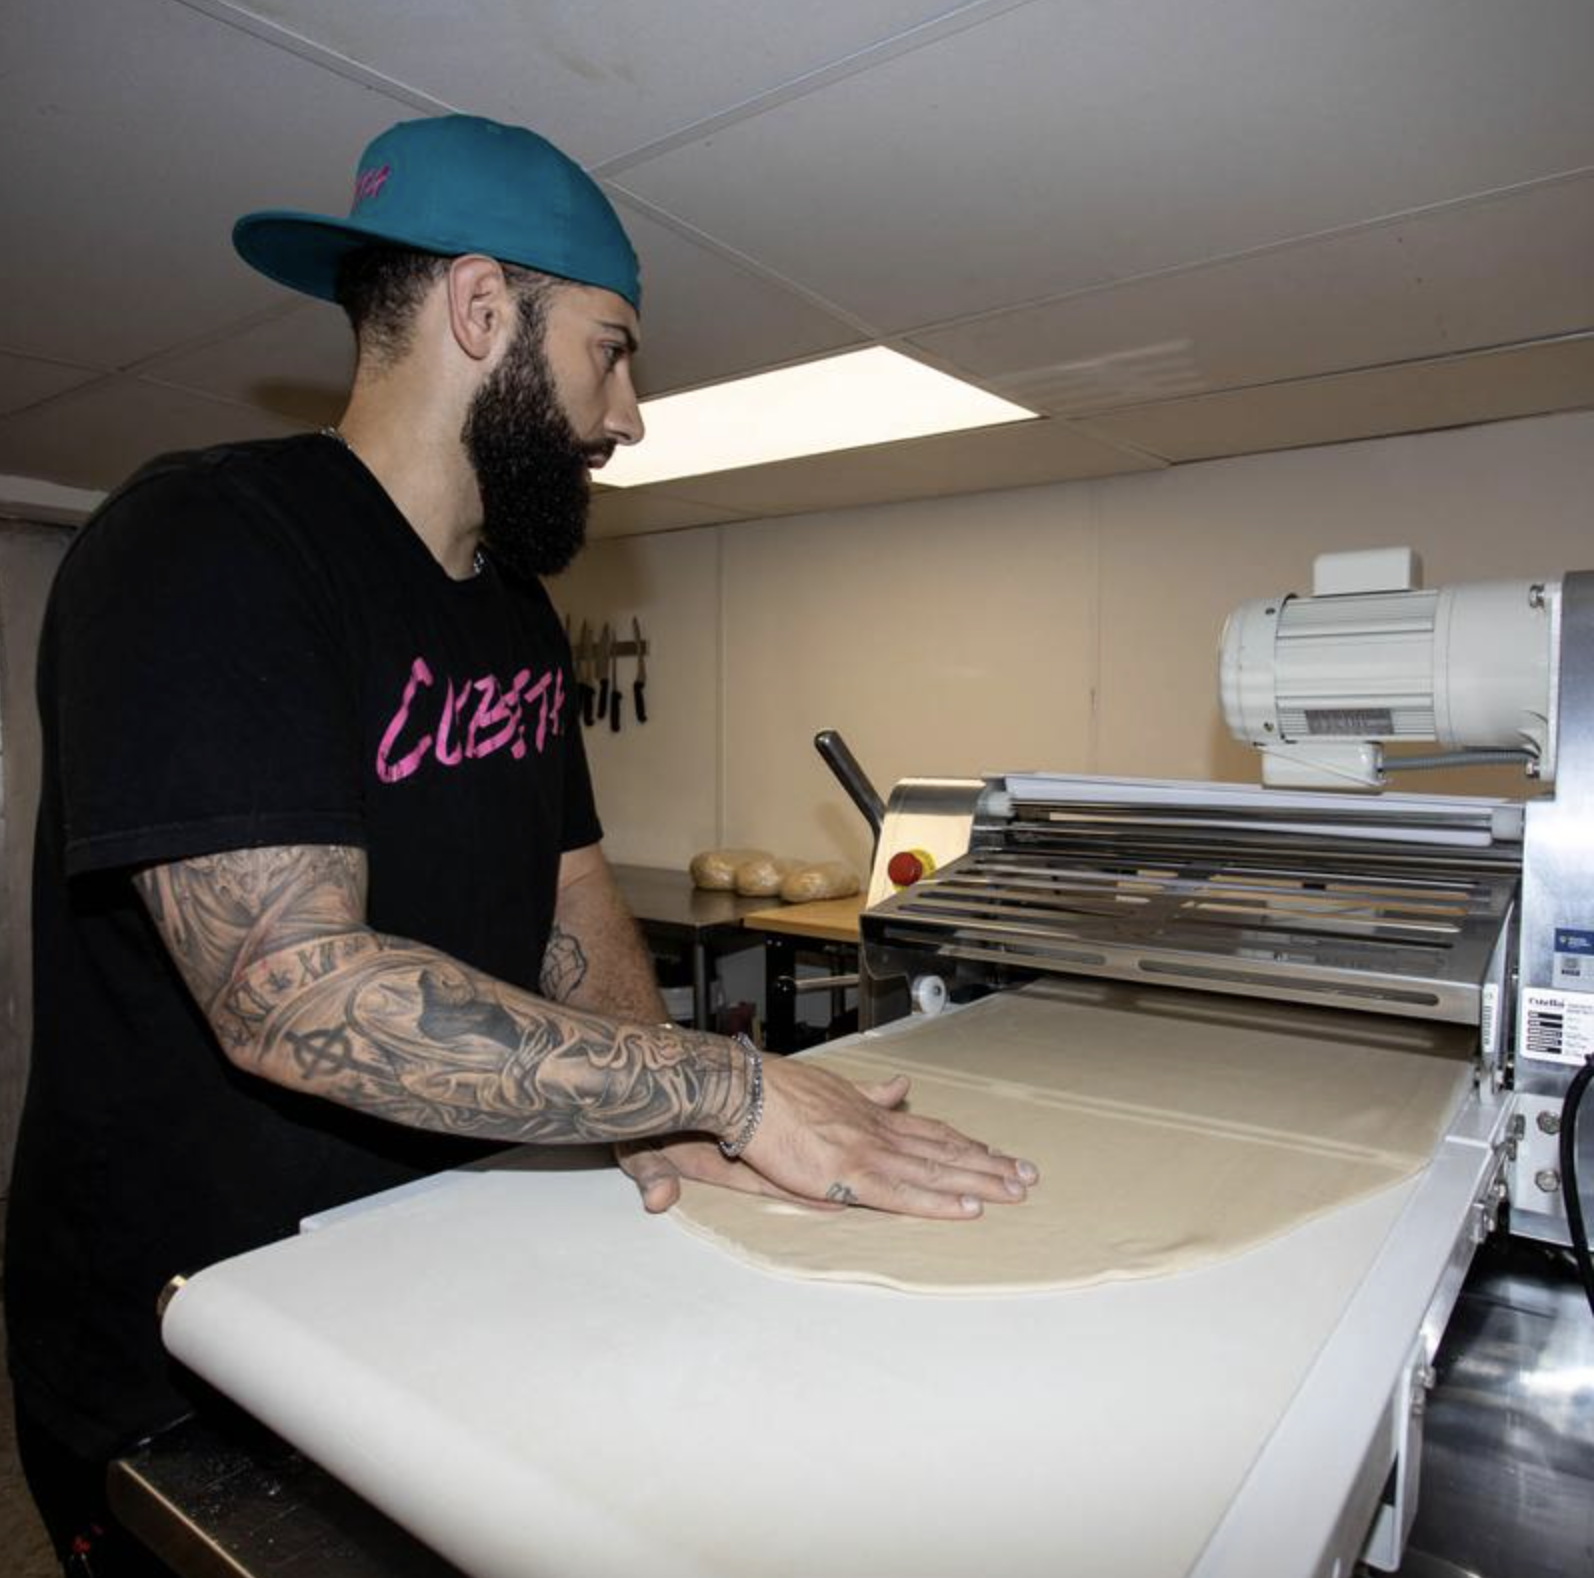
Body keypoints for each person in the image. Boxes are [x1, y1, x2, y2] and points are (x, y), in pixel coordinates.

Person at [3, 113, 1038, 1574]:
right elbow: (290, 988)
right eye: (611, 349)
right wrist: (724, 1081)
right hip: (183, 1344)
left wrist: (655, 1118)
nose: (629, 414)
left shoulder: (507, 612)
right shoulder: (208, 548)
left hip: (418, 1275)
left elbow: (569, 897)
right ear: (483, 309)